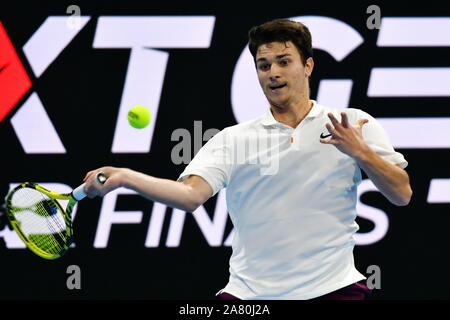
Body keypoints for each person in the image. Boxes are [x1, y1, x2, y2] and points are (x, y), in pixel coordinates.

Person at [83, 19, 412, 300]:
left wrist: (361, 152)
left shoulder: (352, 123)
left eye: (284, 61)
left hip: (335, 289)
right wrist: (126, 177)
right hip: (251, 295)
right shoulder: (233, 139)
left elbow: (402, 194)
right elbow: (189, 196)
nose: (273, 72)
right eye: (264, 65)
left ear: (308, 65)